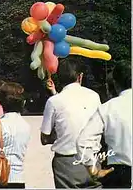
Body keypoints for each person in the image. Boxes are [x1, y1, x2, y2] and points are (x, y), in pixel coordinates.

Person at [40, 59, 101, 188]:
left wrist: (61, 134)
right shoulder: (94, 96)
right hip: (93, 157)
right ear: (80, 76)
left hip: (66, 162)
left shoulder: (54, 101)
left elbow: (44, 138)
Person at [76, 61, 132, 188]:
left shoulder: (108, 107)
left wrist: (93, 170)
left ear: (115, 82)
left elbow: (83, 142)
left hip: (119, 173)